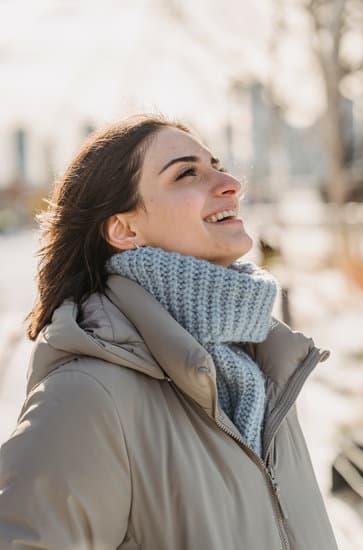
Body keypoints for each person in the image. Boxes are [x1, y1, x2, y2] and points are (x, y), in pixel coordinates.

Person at [0, 114, 338, 550]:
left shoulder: (259, 368)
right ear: (125, 229)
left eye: (216, 165)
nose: (230, 182)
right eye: (187, 174)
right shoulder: (86, 396)